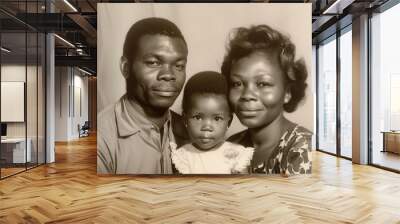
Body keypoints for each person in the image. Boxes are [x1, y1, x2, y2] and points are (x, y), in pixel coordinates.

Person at [97, 17, 189, 174]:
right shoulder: (101, 137)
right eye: (154, 62)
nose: (168, 75)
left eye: (179, 65)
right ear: (126, 67)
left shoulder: (192, 130)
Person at [221, 24, 312, 175]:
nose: (247, 95)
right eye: (237, 83)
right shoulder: (232, 144)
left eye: (263, 83)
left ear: (287, 92)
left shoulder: (302, 148)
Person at [170, 71, 254, 174]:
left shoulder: (237, 155)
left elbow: (244, 188)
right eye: (198, 117)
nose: (207, 127)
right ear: (185, 119)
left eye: (217, 118)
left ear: (229, 121)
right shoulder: (182, 157)